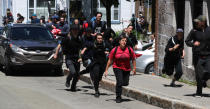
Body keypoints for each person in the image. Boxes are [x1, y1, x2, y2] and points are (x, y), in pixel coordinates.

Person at [104, 35, 136, 103]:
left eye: (125, 41)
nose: (124, 42)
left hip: (127, 68)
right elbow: (110, 60)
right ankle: (118, 97)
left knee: (125, 83)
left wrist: (134, 69)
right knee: (119, 82)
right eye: (123, 40)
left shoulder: (129, 49)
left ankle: (121, 86)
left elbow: (133, 59)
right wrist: (106, 70)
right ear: (119, 42)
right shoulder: (115, 49)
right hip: (117, 67)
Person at [185, 15, 210, 96]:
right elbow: (187, 41)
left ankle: (203, 81)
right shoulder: (194, 31)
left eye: (198, 22)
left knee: (208, 72)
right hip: (198, 56)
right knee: (199, 75)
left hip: (208, 55)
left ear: (203, 22)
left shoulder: (209, 30)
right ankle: (199, 92)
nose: (196, 23)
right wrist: (193, 44)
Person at [54, 24, 82, 91]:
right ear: (71, 31)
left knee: (77, 74)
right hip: (69, 58)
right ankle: (68, 80)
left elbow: (80, 49)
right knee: (73, 72)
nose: (75, 31)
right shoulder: (67, 38)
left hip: (77, 58)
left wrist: (81, 57)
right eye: (74, 30)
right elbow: (59, 46)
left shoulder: (79, 38)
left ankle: (73, 87)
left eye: (76, 30)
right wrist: (56, 54)